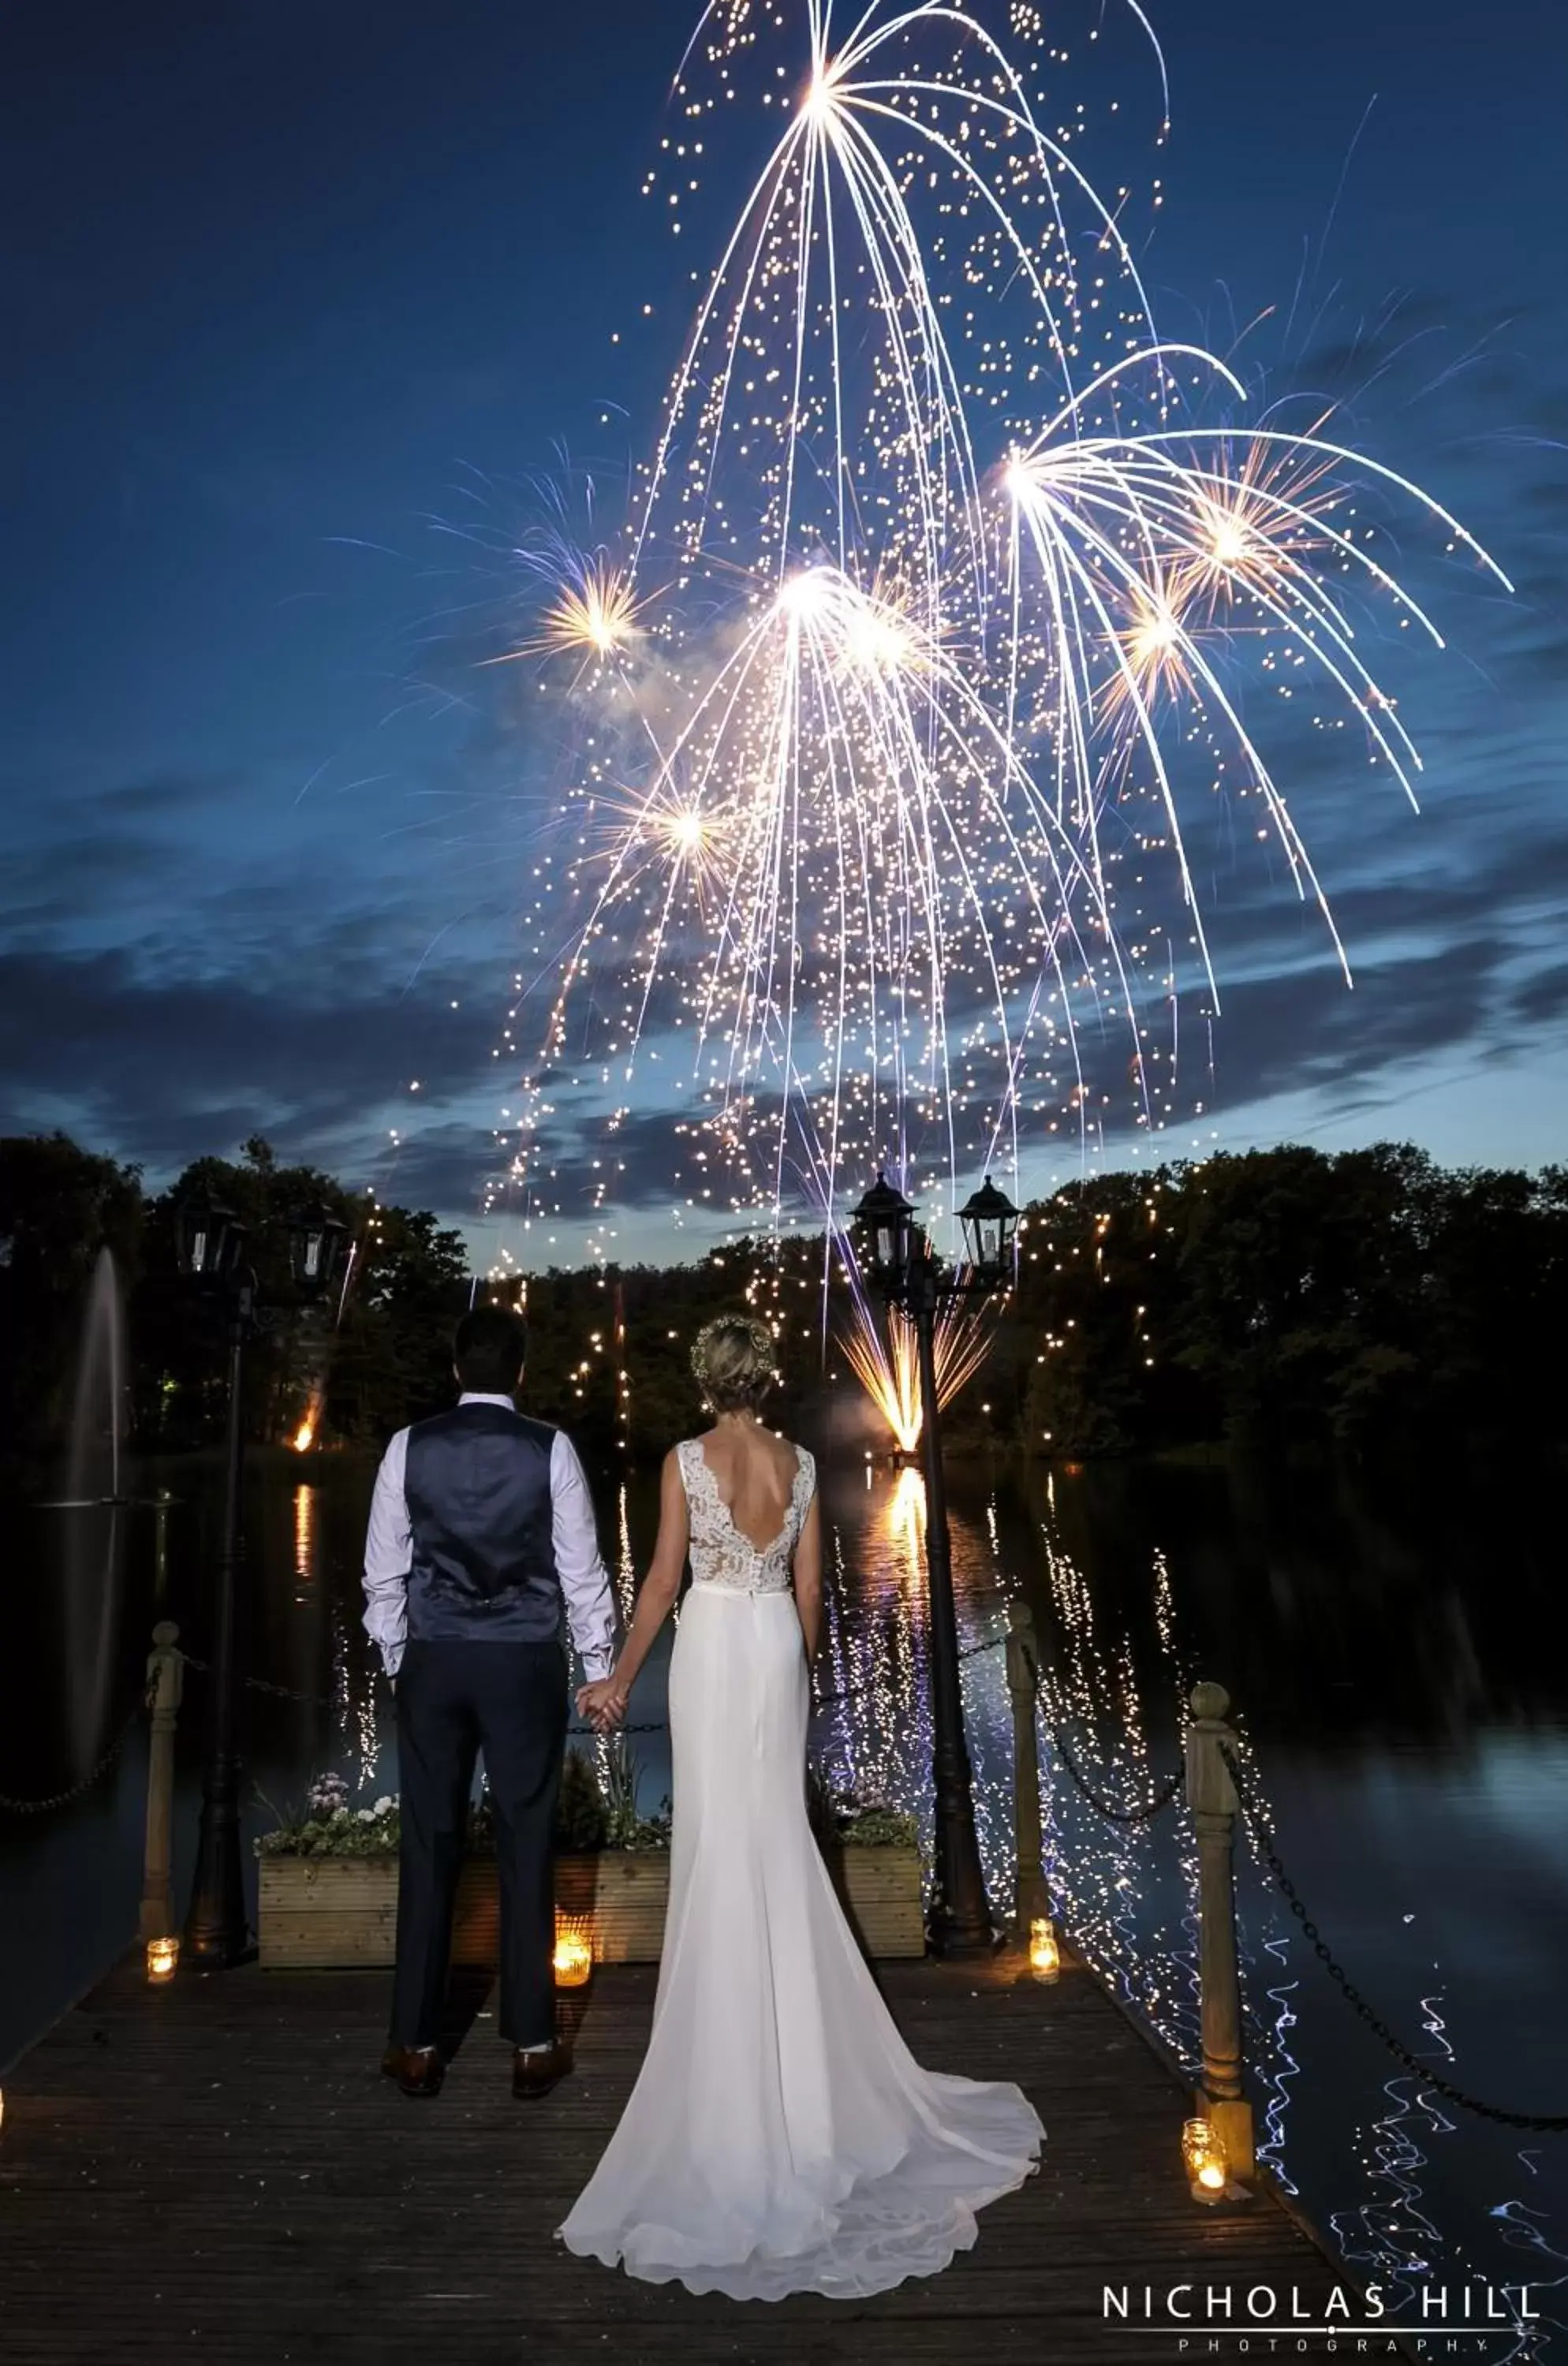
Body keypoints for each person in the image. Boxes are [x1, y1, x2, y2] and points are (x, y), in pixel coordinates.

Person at [561, 1313, 1043, 2301]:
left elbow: (660, 1580)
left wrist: (615, 1679)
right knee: (777, 1839)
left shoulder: (685, 1460)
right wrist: (805, 1676)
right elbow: (812, 1586)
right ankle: (806, 2073)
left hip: (711, 1649)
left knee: (720, 1846)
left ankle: (734, 2066)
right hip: (774, 1644)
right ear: (765, 1379)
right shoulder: (800, 1463)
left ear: (705, 1377)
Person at [361, 1302, 617, 2100]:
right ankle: (534, 2043)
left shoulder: (408, 1447)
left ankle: (413, 2043)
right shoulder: (551, 1449)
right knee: (526, 1838)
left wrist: (402, 1656)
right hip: (521, 1662)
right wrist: (598, 1663)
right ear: (519, 1373)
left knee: (429, 1841)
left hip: (435, 1659)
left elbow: (382, 1571)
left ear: (454, 1368)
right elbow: (581, 1571)